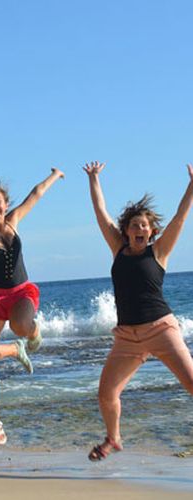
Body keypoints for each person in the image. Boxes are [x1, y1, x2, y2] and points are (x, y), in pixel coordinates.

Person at [83, 161, 193, 461]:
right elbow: (100, 215)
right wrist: (94, 179)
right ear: (127, 231)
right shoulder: (118, 249)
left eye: (144, 225)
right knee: (106, 394)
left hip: (161, 331)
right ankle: (114, 438)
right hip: (127, 339)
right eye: (134, 225)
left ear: (152, 230)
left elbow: (181, 219)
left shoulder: (158, 252)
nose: (139, 229)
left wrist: (191, 185)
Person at [0, 168, 64, 446]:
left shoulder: (14, 221)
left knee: (19, 325)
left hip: (21, 291)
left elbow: (36, 194)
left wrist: (55, 176)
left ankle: (32, 335)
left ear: (5, 204)